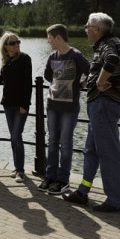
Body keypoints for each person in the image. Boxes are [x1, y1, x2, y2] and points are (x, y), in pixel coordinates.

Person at [63, 12, 120, 213]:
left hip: (104, 104)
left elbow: (111, 59)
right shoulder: (110, 43)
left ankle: (117, 200)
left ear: (97, 29)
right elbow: (108, 64)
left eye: (87, 26)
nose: (85, 29)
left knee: (109, 153)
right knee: (90, 151)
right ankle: (83, 192)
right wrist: (91, 82)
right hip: (102, 104)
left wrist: (101, 82)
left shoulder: (107, 45)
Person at [38, 24, 90, 196]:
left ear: (58, 38)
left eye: (50, 38)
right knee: (52, 141)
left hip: (69, 107)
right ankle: (50, 177)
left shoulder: (75, 55)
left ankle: (63, 180)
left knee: (65, 143)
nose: (49, 41)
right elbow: (47, 75)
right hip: (52, 105)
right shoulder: (52, 56)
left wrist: (82, 84)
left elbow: (92, 71)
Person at [0, 31, 32, 183]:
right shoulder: (7, 61)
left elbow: (28, 84)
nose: (16, 45)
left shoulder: (25, 59)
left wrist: (25, 105)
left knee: (16, 136)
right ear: (5, 47)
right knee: (14, 138)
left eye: (18, 42)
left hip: (20, 106)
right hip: (8, 104)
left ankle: (20, 171)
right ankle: (17, 167)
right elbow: (2, 79)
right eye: (12, 43)